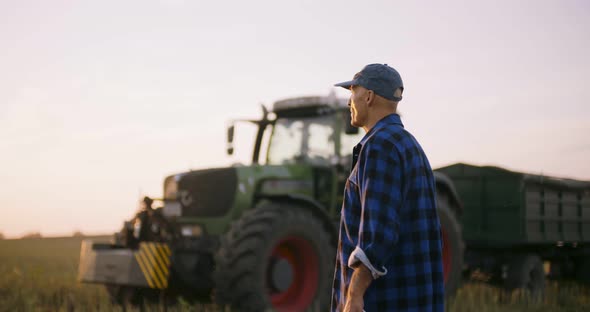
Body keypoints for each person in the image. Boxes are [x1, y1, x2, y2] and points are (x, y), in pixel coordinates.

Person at [331, 64, 444, 312]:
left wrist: (354, 295)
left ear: (368, 96)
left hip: (384, 301)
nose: (350, 102)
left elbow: (378, 233)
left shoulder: (379, 146)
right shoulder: (410, 145)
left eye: (352, 91)